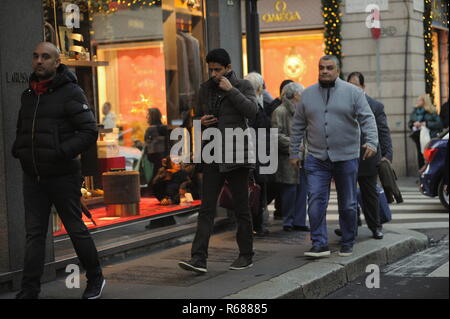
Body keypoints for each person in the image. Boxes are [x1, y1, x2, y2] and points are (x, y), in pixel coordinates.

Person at [11, 42, 105, 299]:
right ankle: (29, 290)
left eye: (45, 57)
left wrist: (60, 151)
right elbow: (22, 128)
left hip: (63, 175)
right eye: (35, 56)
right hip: (34, 177)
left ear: (56, 63)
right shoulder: (28, 95)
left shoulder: (70, 93)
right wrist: (18, 149)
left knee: (75, 229)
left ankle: (95, 278)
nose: (39, 61)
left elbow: (88, 131)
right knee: (35, 235)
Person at [289, 55, 378, 258]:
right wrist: (295, 152)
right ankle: (319, 243)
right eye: (321, 68)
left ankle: (348, 240)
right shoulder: (307, 95)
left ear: (337, 71)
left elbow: (367, 118)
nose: (324, 71)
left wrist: (371, 142)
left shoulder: (353, 92)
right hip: (316, 157)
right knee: (315, 201)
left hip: (346, 156)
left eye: (329, 68)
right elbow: (297, 126)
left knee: (347, 203)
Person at [178, 48, 258, 273]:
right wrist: (200, 121)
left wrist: (231, 90)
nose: (214, 74)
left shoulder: (242, 85)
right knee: (206, 208)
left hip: (237, 153)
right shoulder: (204, 89)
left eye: (218, 70)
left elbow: (252, 111)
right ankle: (198, 258)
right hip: (213, 153)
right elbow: (195, 118)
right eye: (210, 69)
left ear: (228, 68)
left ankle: (245, 254)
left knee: (241, 208)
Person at [334, 72, 393, 240]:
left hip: (368, 156)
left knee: (370, 194)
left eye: (356, 85)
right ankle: (350, 227)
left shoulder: (375, 106)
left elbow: (383, 132)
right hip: (346, 156)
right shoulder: (341, 104)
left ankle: (376, 227)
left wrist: (388, 155)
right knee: (347, 194)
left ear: (363, 87)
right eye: (349, 85)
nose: (352, 88)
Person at [271, 82, 310, 232]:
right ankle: (288, 221)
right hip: (288, 157)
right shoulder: (279, 111)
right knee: (289, 190)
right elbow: (276, 135)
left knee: (302, 190)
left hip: (304, 156)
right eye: (302, 94)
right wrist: (293, 144)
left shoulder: (302, 110)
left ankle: (299, 221)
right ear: (295, 95)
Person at [244, 72, 272, 236]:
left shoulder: (251, 102)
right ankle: (256, 225)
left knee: (256, 189)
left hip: (257, 152)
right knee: (256, 189)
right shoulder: (253, 104)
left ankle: (256, 224)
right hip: (256, 153)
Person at [265, 79, 294, 220]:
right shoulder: (278, 109)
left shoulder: (293, 108)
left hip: (285, 154)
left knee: (285, 187)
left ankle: (283, 213)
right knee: (283, 187)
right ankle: (282, 213)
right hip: (281, 154)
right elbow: (276, 134)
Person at [408, 94, 443, 169]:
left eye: (419, 100)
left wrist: (426, 124)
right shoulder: (415, 111)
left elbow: (439, 124)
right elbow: (410, 123)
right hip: (418, 136)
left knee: (429, 155)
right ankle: (421, 173)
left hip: (429, 137)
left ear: (424, 101)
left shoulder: (431, 111)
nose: (417, 101)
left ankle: (429, 172)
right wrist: (414, 124)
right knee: (420, 155)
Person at [144, 108, 169, 182]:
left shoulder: (150, 129)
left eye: (148, 115)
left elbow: (148, 145)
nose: (146, 118)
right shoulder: (165, 128)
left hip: (155, 161)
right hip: (165, 159)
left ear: (152, 117)